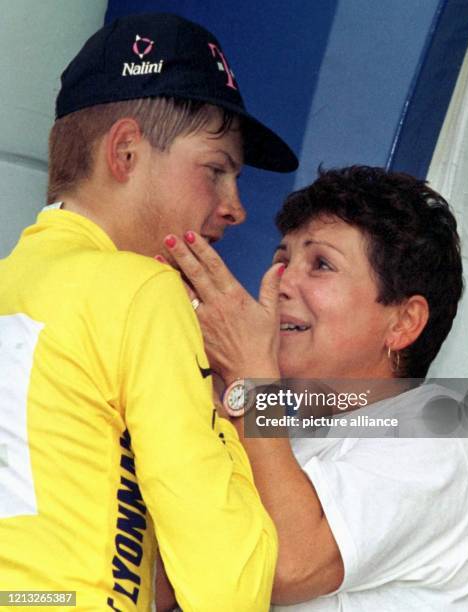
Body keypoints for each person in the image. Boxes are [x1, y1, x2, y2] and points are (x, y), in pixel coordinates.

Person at [0, 12, 299, 612]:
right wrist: (244, 388)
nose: (235, 209)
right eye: (216, 171)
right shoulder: (143, 293)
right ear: (127, 152)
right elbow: (228, 588)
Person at [164, 166, 468, 611]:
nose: (281, 281)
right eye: (282, 260)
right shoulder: (291, 429)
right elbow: (169, 579)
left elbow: (282, 566)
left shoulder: (447, 431)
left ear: (403, 322)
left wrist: (246, 374)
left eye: (320, 264)